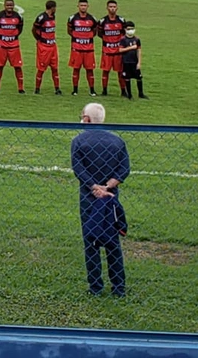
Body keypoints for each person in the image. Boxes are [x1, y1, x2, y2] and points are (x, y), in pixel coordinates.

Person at [71, 103, 130, 297]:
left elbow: (79, 169)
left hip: (89, 199)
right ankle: (118, 288)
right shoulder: (117, 141)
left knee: (91, 242)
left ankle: (95, 287)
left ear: (86, 119)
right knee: (113, 242)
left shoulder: (79, 141)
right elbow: (124, 168)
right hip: (110, 199)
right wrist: (108, 186)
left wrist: (94, 187)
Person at [0, 0, 25, 94]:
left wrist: (13, 36)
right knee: (0, 66)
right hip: (2, 45)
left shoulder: (18, 16)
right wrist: (0, 36)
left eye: (11, 5)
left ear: (13, 6)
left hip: (14, 46)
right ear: (4, 6)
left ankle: (21, 88)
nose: (9, 7)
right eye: (8, 5)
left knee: (17, 66)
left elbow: (20, 28)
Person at [68, 0, 98, 95]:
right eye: (81, 5)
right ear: (78, 6)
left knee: (90, 70)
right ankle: (75, 90)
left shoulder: (92, 19)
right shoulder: (72, 18)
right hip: (76, 48)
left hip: (89, 49)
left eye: (85, 5)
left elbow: (95, 31)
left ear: (88, 6)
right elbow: (69, 31)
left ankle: (92, 90)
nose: (83, 7)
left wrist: (86, 38)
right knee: (76, 69)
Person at [32, 0, 62, 95]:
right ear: (52, 8)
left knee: (55, 68)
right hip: (44, 47)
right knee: (41, 69)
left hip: (53, 46)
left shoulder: (53, 16)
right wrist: (39, 39)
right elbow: (33, 29)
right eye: (55, 8)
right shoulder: (41, 18)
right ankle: (37, 89)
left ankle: (57, 89)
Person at [98, 0, 126, 97]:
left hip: (118, 51)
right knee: (105, 71)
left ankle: (123, 91)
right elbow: (99, 33)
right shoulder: (102, 21)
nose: (112, 8)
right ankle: (104, 91)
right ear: (107, 8)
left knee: (120, 71)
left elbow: (124, 34)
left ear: (117, 8)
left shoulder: (121, 21)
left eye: (114, 7)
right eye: (110, 7)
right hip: (107, 50)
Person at [118, 22, 147, 99]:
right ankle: (129, 95)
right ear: (125, 30)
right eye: (128, 29)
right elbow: (120, 50)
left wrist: (139, 62)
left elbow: (139, 51)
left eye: (132, 29)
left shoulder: (137, 39)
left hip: (135, 62)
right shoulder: (123, 39)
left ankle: (141, 93)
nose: (130, 31)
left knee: (139, 77)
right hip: (126, 62)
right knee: (127, 78)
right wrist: (131, 47)